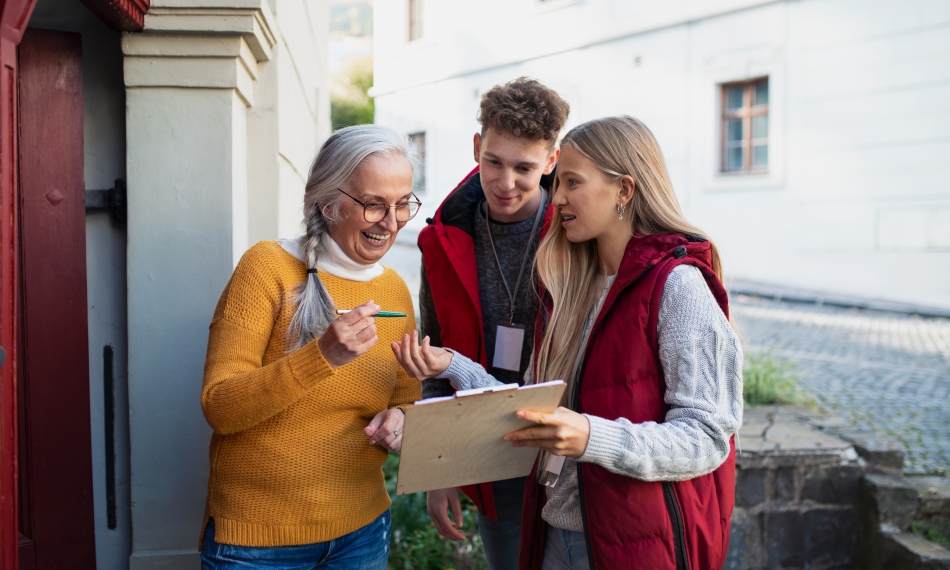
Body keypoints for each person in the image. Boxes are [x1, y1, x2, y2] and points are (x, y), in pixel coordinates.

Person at [395, 116, 742, 570]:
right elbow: (530, 403)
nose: (555, 197)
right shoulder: (571, 284)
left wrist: (590, 436)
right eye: (558, 183)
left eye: (571, 183)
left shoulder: (678, 287)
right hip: (557, 531)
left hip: (633, 541)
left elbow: (708, 436)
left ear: (625, 190)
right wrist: (451, 365)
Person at [198, 124, 423, 569]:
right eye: (374, 205)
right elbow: (219, 407)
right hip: (258, 541)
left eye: (403, 205)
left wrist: (400, 421)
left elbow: (405, 402)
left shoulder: (395, 291)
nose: (392, 222)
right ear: (327, 202)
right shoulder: (268, 268)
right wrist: (322, 357)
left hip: (361, 532)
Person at [417, 77, 569, 569]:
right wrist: (441, 466)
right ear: (478, 147)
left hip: (573, 449)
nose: (506, 183)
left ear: (551, 161)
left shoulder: (577, 234)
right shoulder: (442, 240)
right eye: (494, 163)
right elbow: (434, 356)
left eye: (525, 168)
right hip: (491, 450)